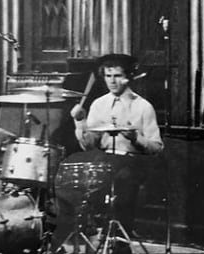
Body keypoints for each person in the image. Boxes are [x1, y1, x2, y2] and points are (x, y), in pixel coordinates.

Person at [68, 53, 163, 237]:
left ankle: (118, 243)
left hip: (133, 163)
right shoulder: (98, 105)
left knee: (123, 181)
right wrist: (80, 122)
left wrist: (136, 138)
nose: (112, 81)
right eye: (108, 76)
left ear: (128, 77)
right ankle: (94, 233)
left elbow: (157, 148)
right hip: (104, 160)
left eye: (117, 76)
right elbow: (88, 146)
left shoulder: (143, 107)